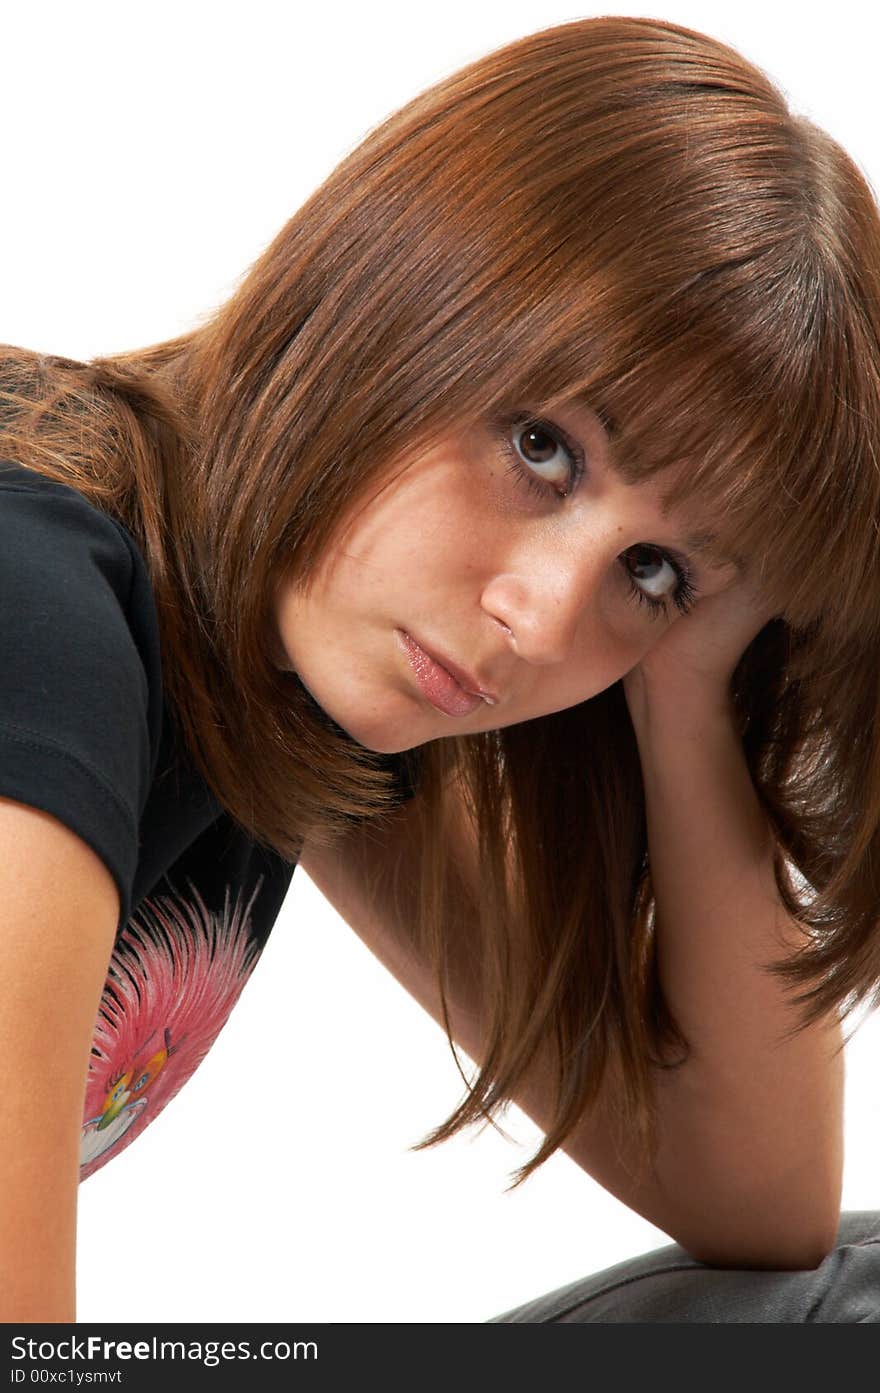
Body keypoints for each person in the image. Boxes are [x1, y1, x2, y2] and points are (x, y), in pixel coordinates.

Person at [1, 12, 879, 1324]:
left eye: (649, 570)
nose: (536, 616)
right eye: (541, 444)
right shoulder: (40, 618)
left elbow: (757, 1203)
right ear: (400, 282)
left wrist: (693, 668)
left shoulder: (286, 675)